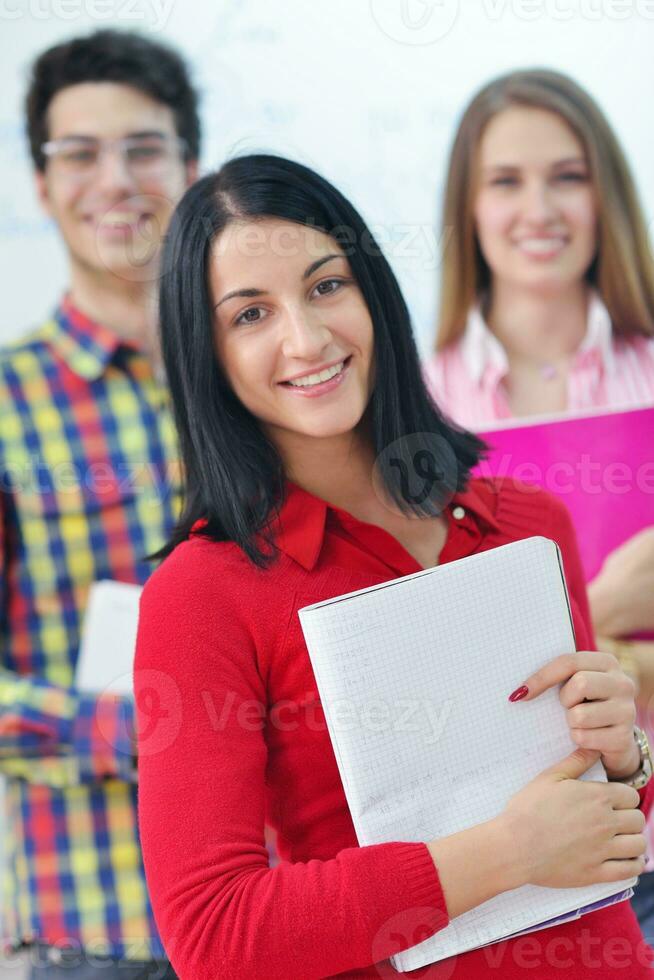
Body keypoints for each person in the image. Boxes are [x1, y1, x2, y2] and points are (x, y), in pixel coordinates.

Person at [134, 153, 653, 979]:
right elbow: (214, 937)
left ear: (372, 291)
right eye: (250, 314)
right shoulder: (200, 596)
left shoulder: (526, 523)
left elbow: (599, 821)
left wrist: (624, 756)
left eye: (326, 286)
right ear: (209, 356)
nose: (305, 338)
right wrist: (508, 851)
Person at [422, 68, 654, 939]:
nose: (539, 209)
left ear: (607, 194)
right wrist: (604, 607)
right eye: (506, 181)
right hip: (509, 862)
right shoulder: (410, 402)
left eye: (568, 176)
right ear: (468, 208)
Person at [0, 29, 199, 977]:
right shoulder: (6, 407)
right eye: (79, 153)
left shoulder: (275, 380)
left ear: (191, 168)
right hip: (102, 922)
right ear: (41, 185)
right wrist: (148, 730)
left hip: (298, 894)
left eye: (144, 148)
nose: (114, 179)